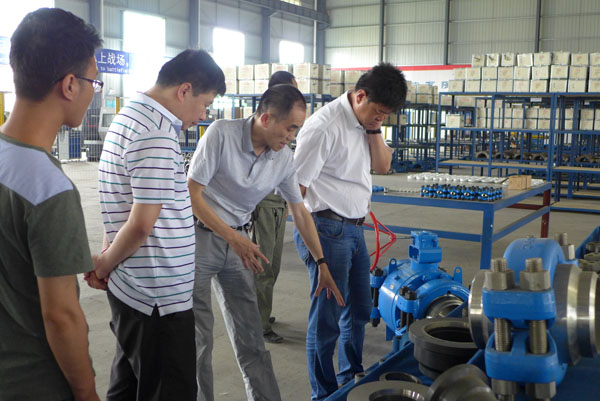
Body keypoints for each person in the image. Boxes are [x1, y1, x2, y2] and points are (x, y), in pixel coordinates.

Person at [187, 84, 344, 401]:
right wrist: (233, 237)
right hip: (199, 239)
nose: (292, 136)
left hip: (239, 245)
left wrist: (322, 263)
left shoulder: (283, 159)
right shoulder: (221, 134)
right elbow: (192, 194)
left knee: (251, 335)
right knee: (198, 339)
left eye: (296, 129)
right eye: (290, 128)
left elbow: (300, 212)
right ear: (267, 118)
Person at [91, 49, 225, 401]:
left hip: (135, 289)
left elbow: (118, 203)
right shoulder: (156, 134)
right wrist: (103, 265)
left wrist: (109, 259)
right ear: (184, 90)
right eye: (204, 104)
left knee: (128, 387)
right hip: (157, 298)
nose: (203, 115)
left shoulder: (129, 115)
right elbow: (140, 224)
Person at [0, 8, 102, 401]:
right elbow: (61, 316)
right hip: (31, 383)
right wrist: (86, 392)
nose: (94, 92)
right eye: (95, 82)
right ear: (70, 85)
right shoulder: (49, 188)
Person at [293, 62, 407, 401]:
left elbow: (383, 166)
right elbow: (295, 194)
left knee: (358, 311)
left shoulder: (367, 123)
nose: (380, 118)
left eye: (386, 115)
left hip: (355, 229)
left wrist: (374, 128)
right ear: (360, 96)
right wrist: (319, 258)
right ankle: (324, 393)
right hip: (326, 229)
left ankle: (349, 377)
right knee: (326, 320)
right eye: (378, 112)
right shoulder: (323, 127)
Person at [252, 70, 298, 344]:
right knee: (263, 266)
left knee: (274, 265)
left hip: (277, 204)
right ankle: (258, 324)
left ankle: (262, 312)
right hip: (264, 205)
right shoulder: (265, 125)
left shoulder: (283, 129)